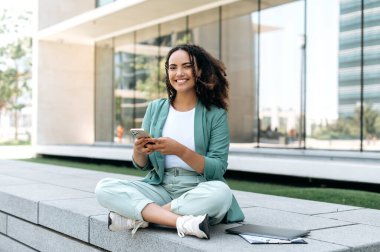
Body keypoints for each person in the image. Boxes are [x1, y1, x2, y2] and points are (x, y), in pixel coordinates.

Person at [95, 44, 245, 240]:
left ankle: (142, 218)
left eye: (186, 66)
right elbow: (143, 166)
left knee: (221, 193)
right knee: (104, 187)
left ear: (199, 70)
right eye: (172, 67)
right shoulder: (155, 108)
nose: (179, 73)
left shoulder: (215, 114)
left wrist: (180, 151)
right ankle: (180, 221)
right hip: (160, 186)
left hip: (198, 188)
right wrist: (139, 151)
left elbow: (217, 169)